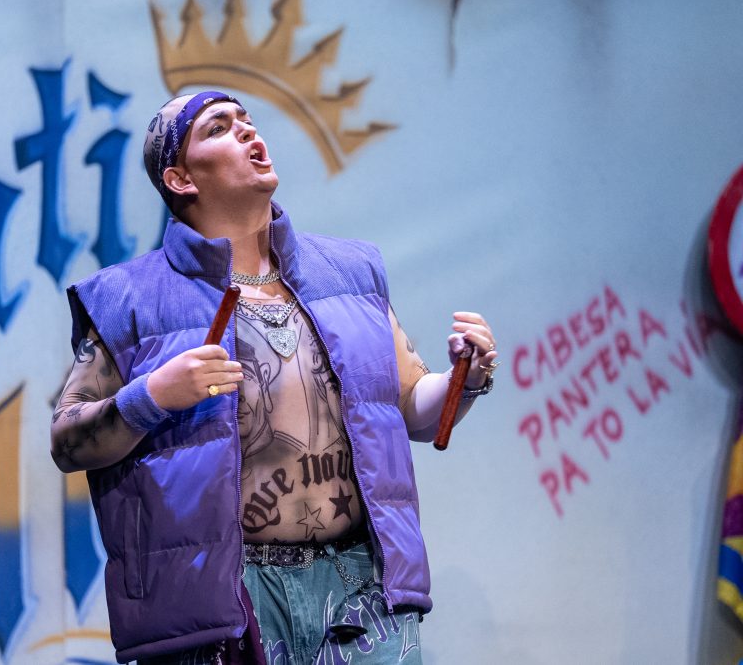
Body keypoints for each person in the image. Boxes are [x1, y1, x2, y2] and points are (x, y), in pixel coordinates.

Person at [51, 92, 499, 664]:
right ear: (180, 178)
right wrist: (154, 395)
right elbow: (67, 441)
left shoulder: (348, 273)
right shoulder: (127, 299)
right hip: (226, 598)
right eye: (218, 128)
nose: (245, 130)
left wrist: (465, 377)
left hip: (362, 585)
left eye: (247, 120)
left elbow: (413, 408)